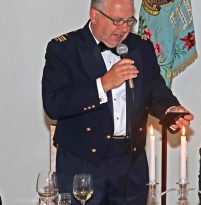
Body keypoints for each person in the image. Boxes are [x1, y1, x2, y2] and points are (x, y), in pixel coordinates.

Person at [42, 0, 193, 204]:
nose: (123, 29)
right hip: (83, 163)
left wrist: (170, 108)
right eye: (117, 21)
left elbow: (155, 90)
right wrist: (103, 84)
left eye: (129, 21)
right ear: (94, 15)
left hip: (132, 161)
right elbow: (54, 104)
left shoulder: (141, 46)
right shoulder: (65, 49)